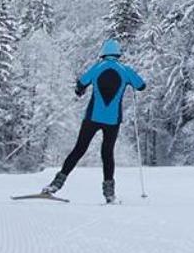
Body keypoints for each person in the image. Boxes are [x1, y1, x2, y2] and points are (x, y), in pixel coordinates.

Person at [40, 39, 145, 203]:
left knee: (79, 150)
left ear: (103, 53)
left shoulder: (97, 68)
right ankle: (109, 195)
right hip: (112, 120)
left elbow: (81, 84)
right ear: (118, 54)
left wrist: (79, 90)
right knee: (107, 154)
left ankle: (55, 185)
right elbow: (141, 85)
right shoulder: (125, 70)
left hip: (92, 118)